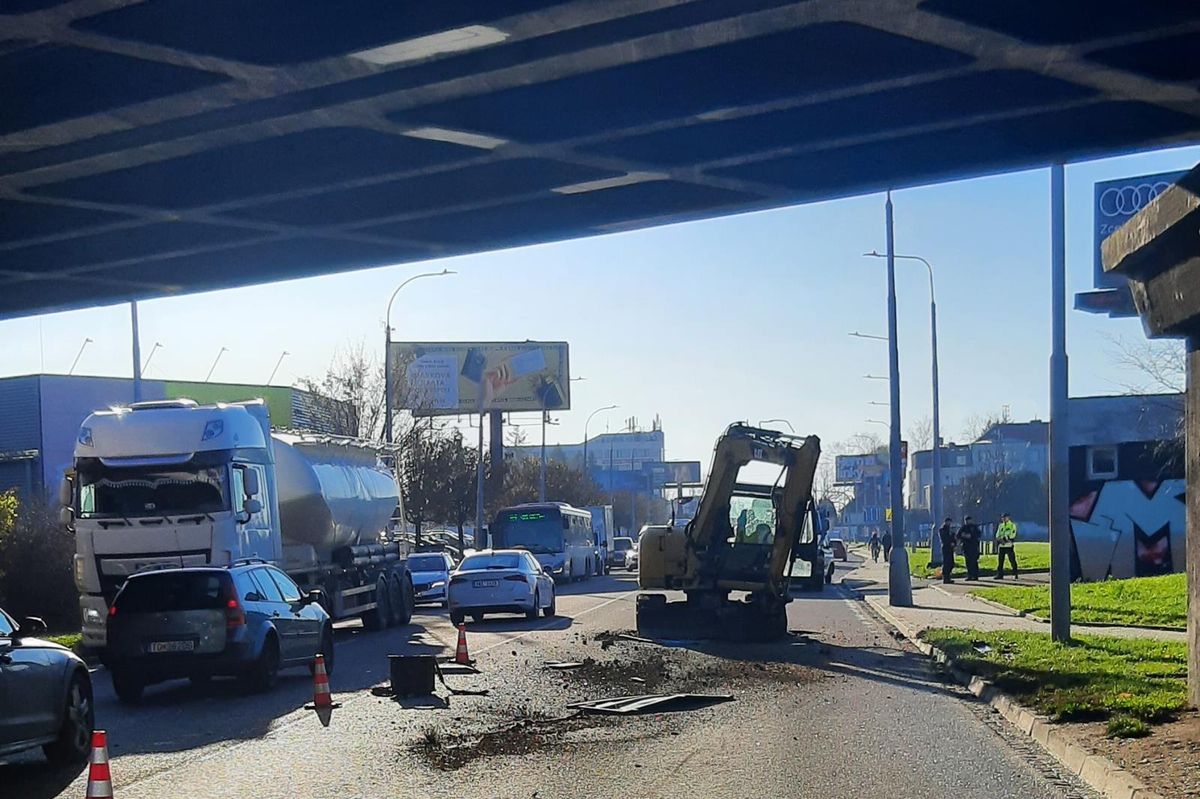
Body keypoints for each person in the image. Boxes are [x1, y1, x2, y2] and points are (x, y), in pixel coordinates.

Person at [995, 513, 1019, 579]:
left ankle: (1015, 573)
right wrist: (1000, 540)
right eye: (1003, 517)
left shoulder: (1012, 525)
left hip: (1009, 545)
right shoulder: (1000, 526)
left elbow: (1013, 535)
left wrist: (1006, 539)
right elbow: (997, 535)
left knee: (1012, 560)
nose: (1004, 519)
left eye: (1005, 517)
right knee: (1000, 561)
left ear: (1008, 517)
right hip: (1001, 546)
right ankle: (999, 574)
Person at [957, 516, 982, 580]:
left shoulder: (974, 527)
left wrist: (971, 536)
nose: (967, 522)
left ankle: (975, 575)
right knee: (968, 562)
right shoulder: (963, 528)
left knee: (974, 561)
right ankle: (969, 575)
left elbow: (978, 534)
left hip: (974, 546)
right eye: (966, 520)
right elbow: (958, 535)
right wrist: (963, 536)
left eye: (968, 520)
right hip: (966, 547)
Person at [937, 517, 956, 583]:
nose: (949, 523)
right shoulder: (942, 530)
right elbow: (944, 539)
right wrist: (950, 542)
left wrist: (954, 543)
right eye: (948, 522)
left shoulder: (950, 529)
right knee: (946, 563)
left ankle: (948, 577)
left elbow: (953, 537)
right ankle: (945, 578)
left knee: (951, 563)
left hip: (951, 548)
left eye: (950, 522)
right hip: (945, 548)